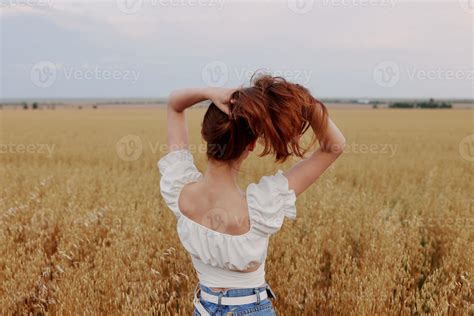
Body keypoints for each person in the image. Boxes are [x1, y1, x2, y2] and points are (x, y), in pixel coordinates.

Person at [158, 75, 346, 315]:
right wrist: (304, 103)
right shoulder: (262, 206)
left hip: (203, 308)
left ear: (205, 134)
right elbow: (334, 145)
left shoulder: (179, 190)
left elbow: (175, 104)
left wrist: (210, 93)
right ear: (251, 145)